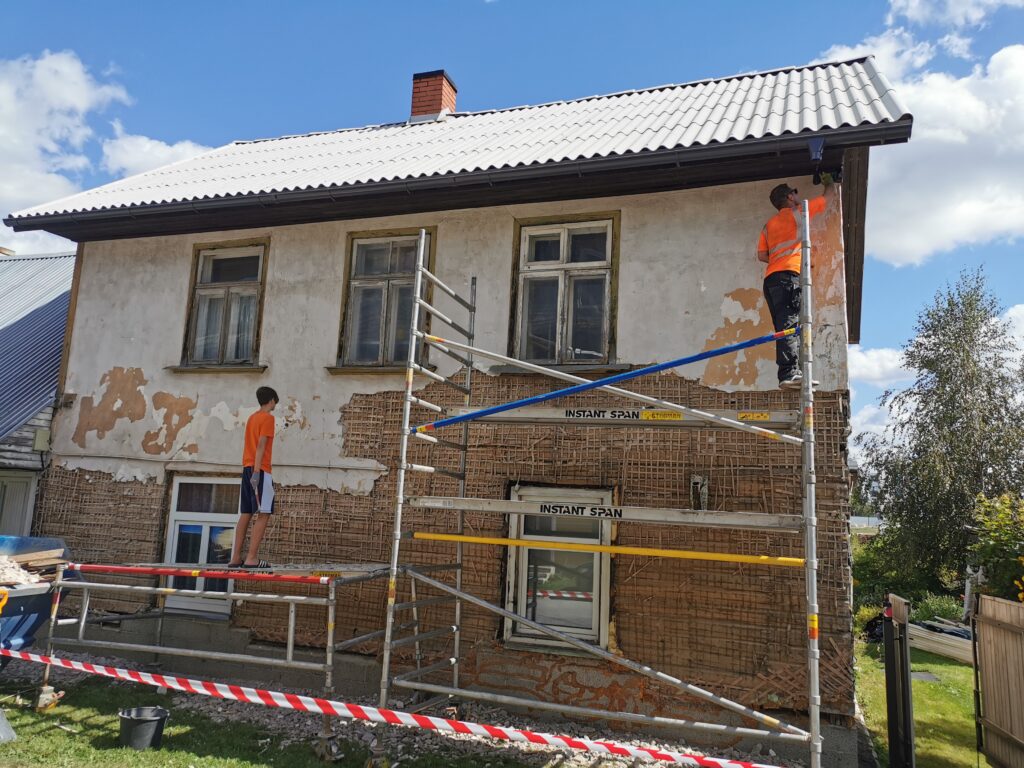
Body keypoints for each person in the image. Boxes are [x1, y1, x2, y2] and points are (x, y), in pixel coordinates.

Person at [756, 175, 836, 388]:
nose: (798, 195)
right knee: (790, 325)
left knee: (783, 327)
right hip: (788, 278)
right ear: (790, 197)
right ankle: (789, 373)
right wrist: (829, 181)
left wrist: (779, 258)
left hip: (771, 280)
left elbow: (762, 255)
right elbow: (829, 198)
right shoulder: (800, 213)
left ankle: (791, 372)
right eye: (795, 192)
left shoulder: (768, 225)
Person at [229, 386, 279, 568]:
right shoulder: (268, 418)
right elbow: (261, 446)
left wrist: (252, 471)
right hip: (260, 470)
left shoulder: (252, 418)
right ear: (271, 400)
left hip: (247, 467)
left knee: (246, 512)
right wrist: (257, 472)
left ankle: (235, 557)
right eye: (275, 402)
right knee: (264, 513)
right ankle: (251, 558)